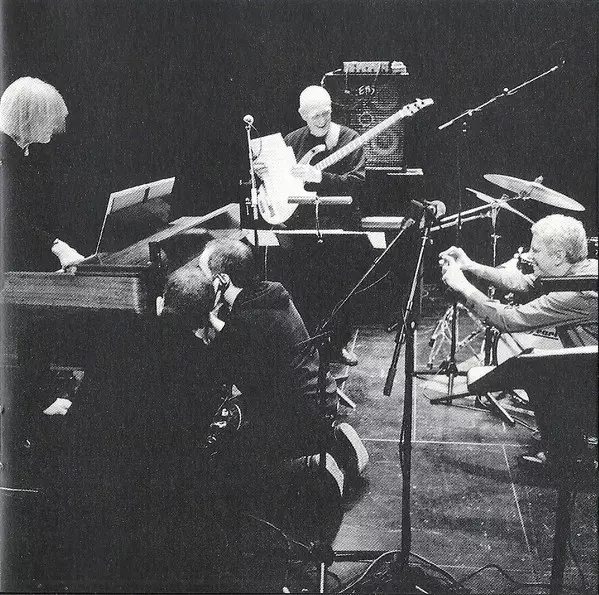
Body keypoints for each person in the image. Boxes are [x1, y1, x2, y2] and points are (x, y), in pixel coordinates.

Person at [163, 240, 369, 510]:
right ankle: (335, 441)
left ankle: (310, 467)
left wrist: (198, 319)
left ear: (222, 281)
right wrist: (212, 318)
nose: (202, 282)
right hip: (321, 397)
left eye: (205, 274)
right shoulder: (271, 293)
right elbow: (244, 333)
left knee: (231, 462)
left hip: (297, 415)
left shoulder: (244, 323)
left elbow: (221, 369)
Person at [439, 214, 598, 469]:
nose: (530, 256)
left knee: (540, 370)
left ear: (558, 255)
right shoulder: (578, 270)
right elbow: (524, 282)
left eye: (536, 250)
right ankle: (566, 441)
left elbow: (509, 320)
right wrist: (471, 266)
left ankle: (566, 458)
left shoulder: (579, 291)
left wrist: (464, 287)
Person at [255, 85, 368, 365]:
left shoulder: (349, 138)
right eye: (315, 114)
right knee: (304, 289)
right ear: (302, 114)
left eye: (326, 112)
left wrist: (321, 178)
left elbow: (358, 184)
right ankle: (307, 345)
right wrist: (264, 173)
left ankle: (338, 345)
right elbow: (278, 183)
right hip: (302, 228)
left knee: (339, 289)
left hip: (338, 228)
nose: (322, 119)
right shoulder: (291, 141)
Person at [0, 76, 84, 272]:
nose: (54, 126)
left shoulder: (18, 152)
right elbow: (9, 219)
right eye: (47, 117)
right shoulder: (5, 155)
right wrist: (57, 246)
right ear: (28, 117)